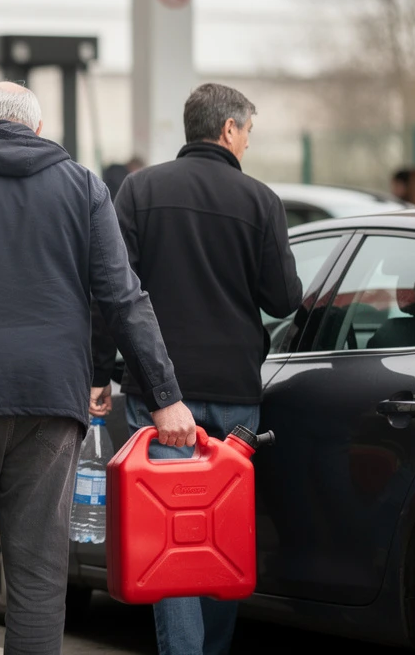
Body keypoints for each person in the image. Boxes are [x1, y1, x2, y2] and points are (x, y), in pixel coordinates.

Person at [0, 82, 184, 654]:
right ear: (38, 130)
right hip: (51, 399)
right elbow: (122, 297)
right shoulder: (83, 187)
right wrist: (165, 394)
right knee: (41, 576)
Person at [92, 82, 300, 655]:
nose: (248, 144)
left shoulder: (139, 190)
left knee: (173, 537)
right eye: (248, 132)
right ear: (229, 129)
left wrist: (97, 370)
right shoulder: (260, 200)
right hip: (236, 394)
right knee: (222, 533)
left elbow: (111, 291)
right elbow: (284, 298)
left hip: (160, 393)